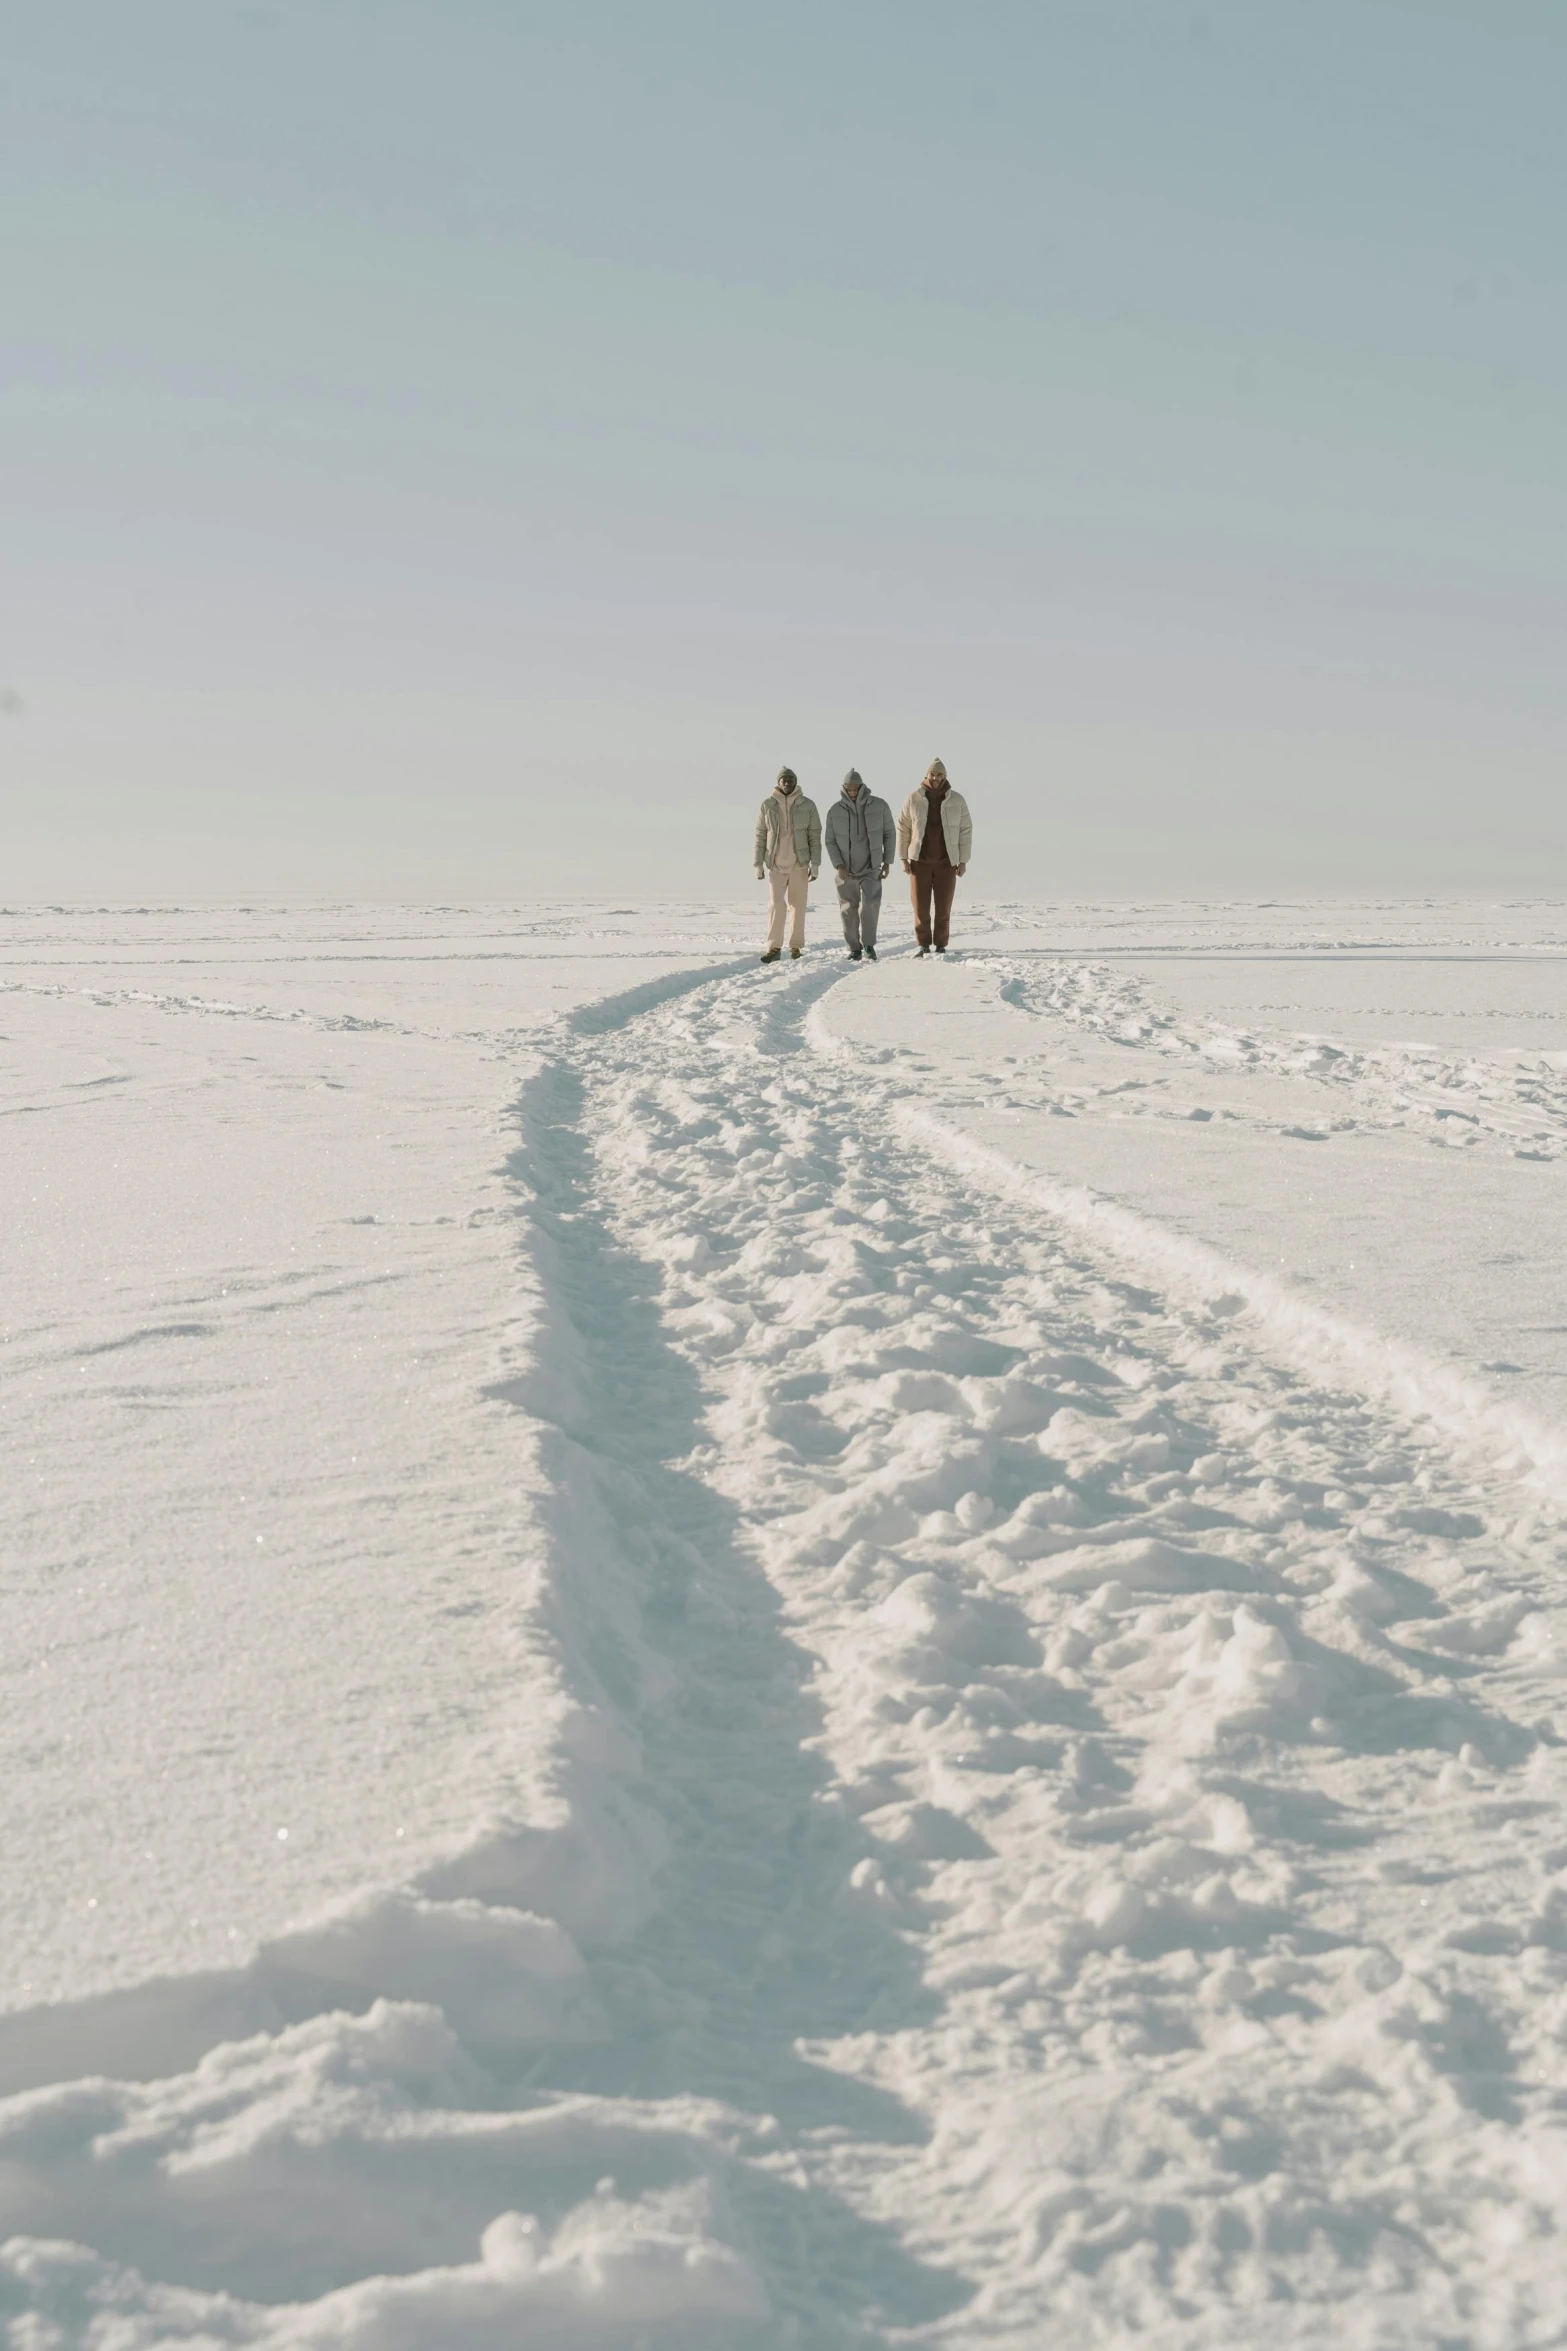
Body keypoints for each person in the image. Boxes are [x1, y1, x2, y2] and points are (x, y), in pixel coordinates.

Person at [897, 757, 972, 955]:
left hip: (947, 862)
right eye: (933, 774)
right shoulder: (914, 798)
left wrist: (963, 860)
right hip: (918, 862)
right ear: (926, 775)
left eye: (940, 775)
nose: (936, 778)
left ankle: (940, 945)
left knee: (943, 907)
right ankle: (922, 944)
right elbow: (903, 828)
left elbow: (966, 830)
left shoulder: (957, 799)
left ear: (945, 776)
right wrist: (903, 857)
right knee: (920, 907)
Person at [823, 768, 895, 962]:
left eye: (856, 789)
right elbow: (829, 840)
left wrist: (887, 861)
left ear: (862, 787)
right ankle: (854, 948)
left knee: (870, 905)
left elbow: (889, 833)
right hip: (845, 869)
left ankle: (869, 945)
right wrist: (838, 864)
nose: (853, 792)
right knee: (848, 909)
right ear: (844, 789)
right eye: (849, 789)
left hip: (871, 867)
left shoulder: (879, 806)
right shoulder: (835, 811)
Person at [754, 767, 821, 962]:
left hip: (800, 863)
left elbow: (814, 835)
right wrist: (758, 863)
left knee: (797, 906)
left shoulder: (808, 805)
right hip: (775, 863)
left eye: (790, 779)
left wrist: (815, 863)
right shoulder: (767, 805)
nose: (787, 782)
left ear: (795, 782)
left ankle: (795, 947)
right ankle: (774, 948)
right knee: (776, 905)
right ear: (778, 782)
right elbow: (759, 835)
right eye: (784, 779)